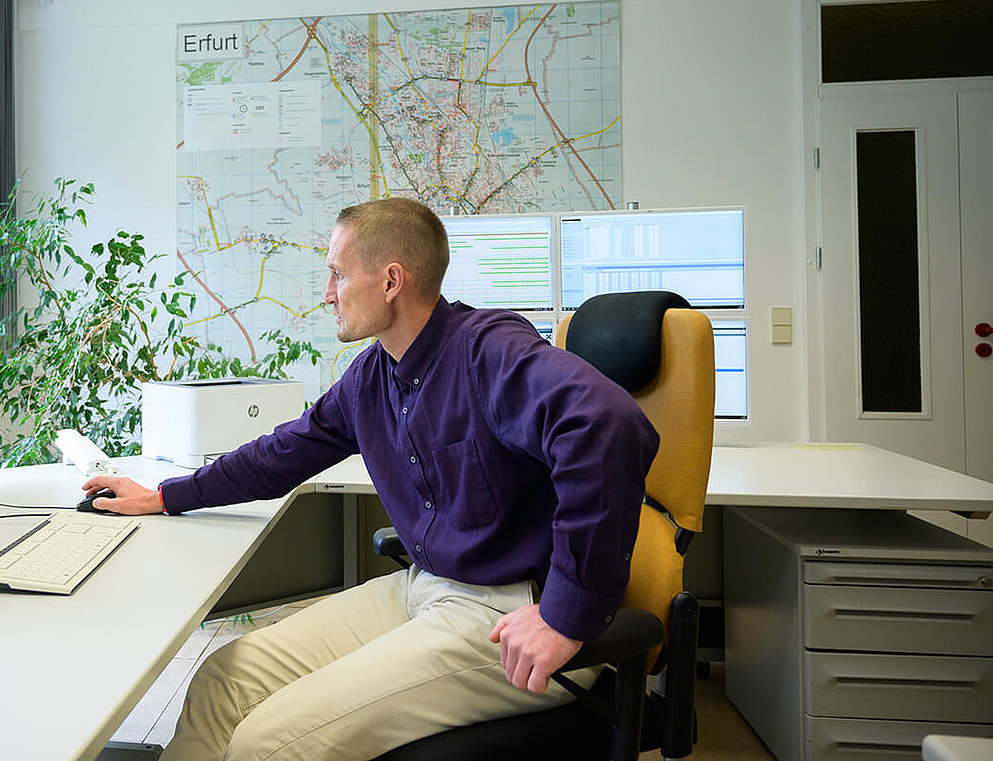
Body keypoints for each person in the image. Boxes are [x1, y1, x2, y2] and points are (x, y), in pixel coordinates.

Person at [83, 197, 659, 760]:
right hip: (423, 588)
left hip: (504, 616)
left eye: (337, 275)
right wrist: (165, 494)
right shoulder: (373, 376)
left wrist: (567, 614)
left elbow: (605, 424)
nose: (327, 294)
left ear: (390, 281)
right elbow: (285, 450)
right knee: (224, 680)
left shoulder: (487, 349)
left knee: (268, 741)